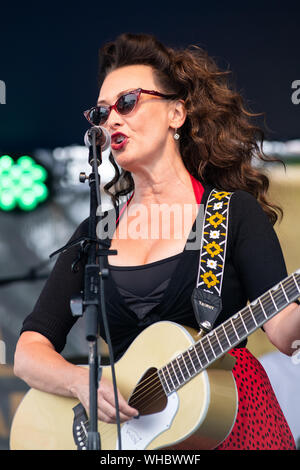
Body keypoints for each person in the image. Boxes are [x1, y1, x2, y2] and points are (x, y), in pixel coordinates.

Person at [14, 33, 300, 450]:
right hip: (137, 442)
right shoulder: (95, 236)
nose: (110, 120)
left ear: (176, 113)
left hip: (231, 423)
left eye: (127, 103)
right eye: (101, 112)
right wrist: (81, 381)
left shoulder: (233, 215)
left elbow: (282, 331)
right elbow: (28, 350)